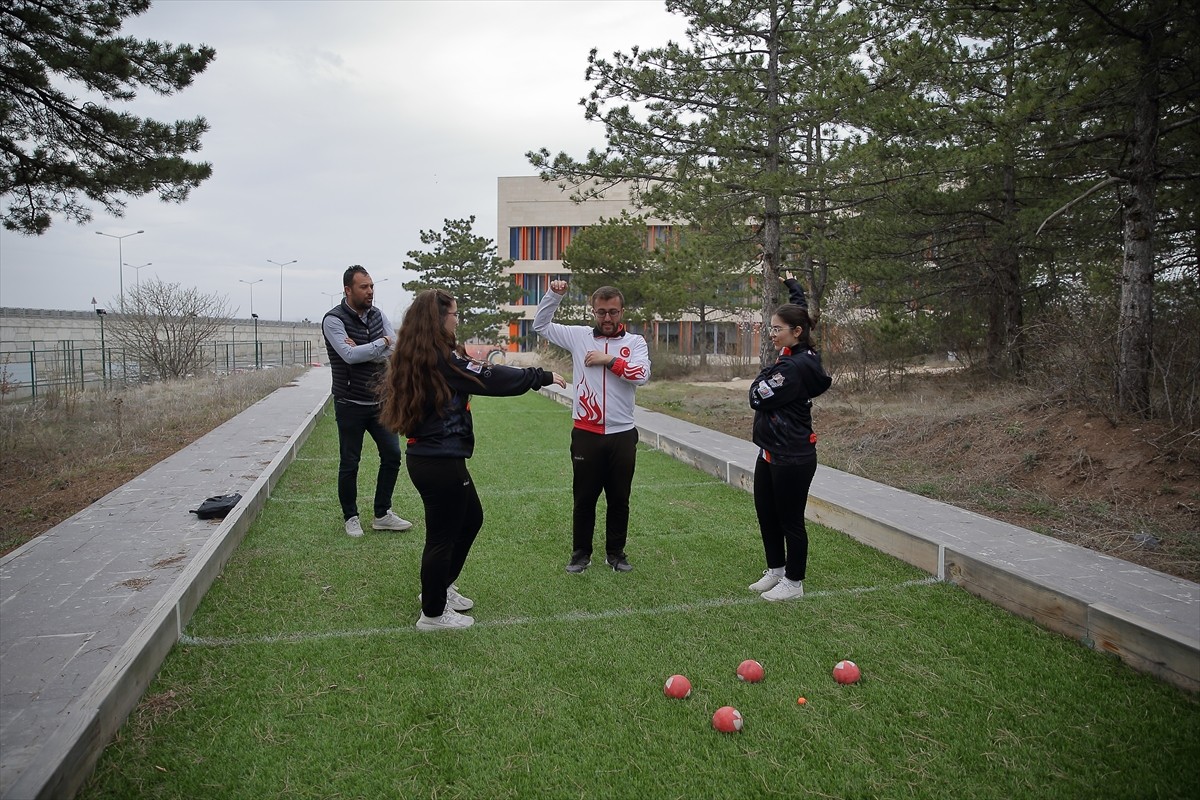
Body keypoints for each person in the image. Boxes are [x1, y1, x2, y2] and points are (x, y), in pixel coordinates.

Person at [379, 289, 565, 631]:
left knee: (471, 518)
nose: (457, 320)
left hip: (437, 457)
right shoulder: (441, 360)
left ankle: (439, 589)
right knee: (442, 536)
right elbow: (489, 377)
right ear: (439, 319)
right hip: (438, 461)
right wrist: (539, 377)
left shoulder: (428, 355)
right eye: (454, 315)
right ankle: (433, 614)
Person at [533, 279, 651, 573]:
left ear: (622, 311)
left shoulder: (635, 342)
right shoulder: (578, 336)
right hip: (586, 433)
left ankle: (616, 554)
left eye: (612, 312)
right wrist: (553, 295)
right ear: (593, 312)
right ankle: (580, 554)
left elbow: (641, 375)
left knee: (619, 498)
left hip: (622, 434)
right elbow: (540, 325)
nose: (607, 318)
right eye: (601, 312)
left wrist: (608, 359)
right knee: (584, 497)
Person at [747, 272, 833, 601]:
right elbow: (799, 311)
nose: (771, 334)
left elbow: (756, 397)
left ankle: (794, 582)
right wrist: (793, 285)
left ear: (795, 333)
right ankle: (776, 570)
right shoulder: (795, 347)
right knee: (767, 514)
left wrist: (761, 378)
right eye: (770, 327)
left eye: (776, 329)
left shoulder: (793, 369)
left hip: (792, 456)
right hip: (770, 451)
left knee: (790, 521)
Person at [322, 265, 412, 538]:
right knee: (350, 462)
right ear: (348, 290)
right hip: (349, 403)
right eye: (364, 287)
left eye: (372, 286)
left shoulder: (378, 315)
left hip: (380, 402)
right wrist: (379, 344)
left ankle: (382, 514)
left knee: (393, 455)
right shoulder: (333, 320)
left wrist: (370, 347)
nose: (370, 291)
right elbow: (348, 356)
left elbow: (394, 347)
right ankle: (351, 517)